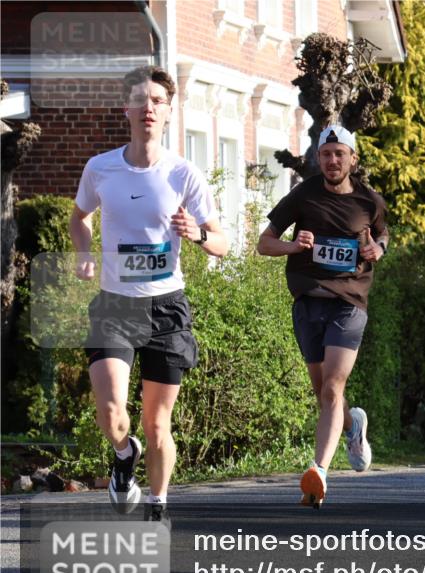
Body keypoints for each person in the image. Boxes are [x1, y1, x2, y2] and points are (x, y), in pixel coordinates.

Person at [70, 66, 229, 522]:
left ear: (168, 111)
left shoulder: (183, 173)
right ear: (126, 108)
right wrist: (85, 253)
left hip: (166, 308)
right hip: (115, 303)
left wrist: (196, 232)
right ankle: (123, 455)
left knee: (157, 424)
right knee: (110, 409)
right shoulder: (100, 168)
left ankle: (157, 502)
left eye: (157, 101)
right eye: (140, 99)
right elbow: (79, 217)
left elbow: (222, 242)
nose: (148, 108)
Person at [258, 124, 387, 507]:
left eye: (339, 154)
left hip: (348, 303)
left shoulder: (369, 201)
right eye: (326, 154)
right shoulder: (302, 196)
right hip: (307, 302)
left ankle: (319, 472)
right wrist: (292, 245)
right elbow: (264, 244)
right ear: (320, 158)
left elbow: (382, 235)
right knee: (323, 393)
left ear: (353, 159)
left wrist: (377, 249)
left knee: (332, 387)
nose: (332, 161)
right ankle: (353, 425)